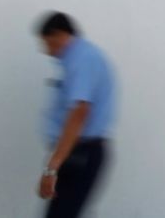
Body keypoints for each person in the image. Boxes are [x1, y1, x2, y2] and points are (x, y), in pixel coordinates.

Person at [35, 11, 117, 218]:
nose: (47, 51)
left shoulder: (82, 59)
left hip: (81, 153)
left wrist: (52, 167)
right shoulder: (79, 58)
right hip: (76, 151)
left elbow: (79, 112)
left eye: (48, 43)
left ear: (59, 34)